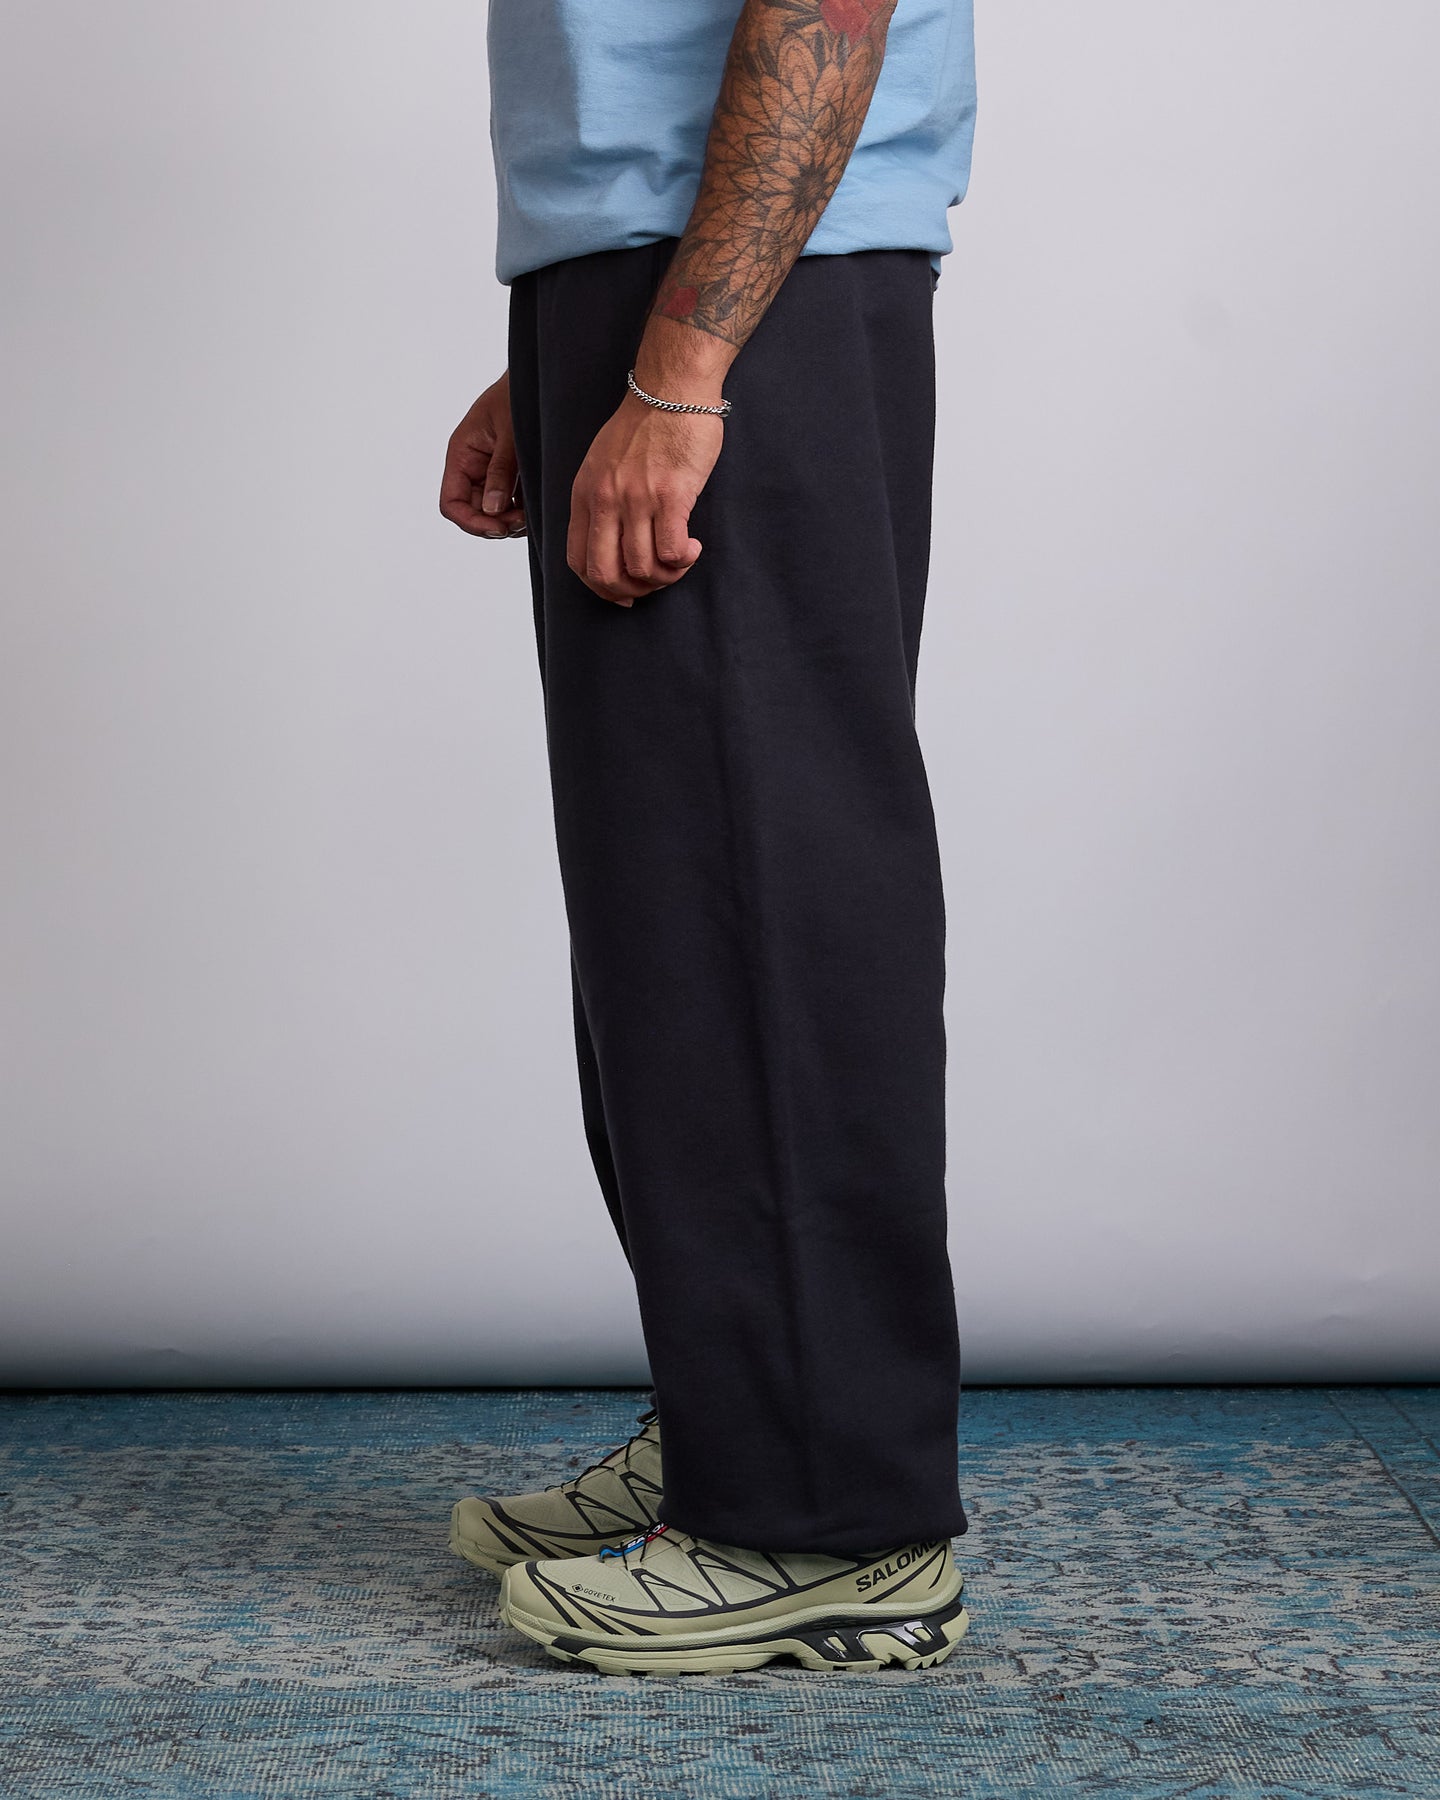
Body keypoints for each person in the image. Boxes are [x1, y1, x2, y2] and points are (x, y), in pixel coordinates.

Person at [440, 0, 978, 1675]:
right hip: (660, 280)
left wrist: (678, 368)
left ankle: (829, 1520)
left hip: (745, 297)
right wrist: (570, 351)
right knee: (671, 899)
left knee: (766, 890)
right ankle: (739, 1421)